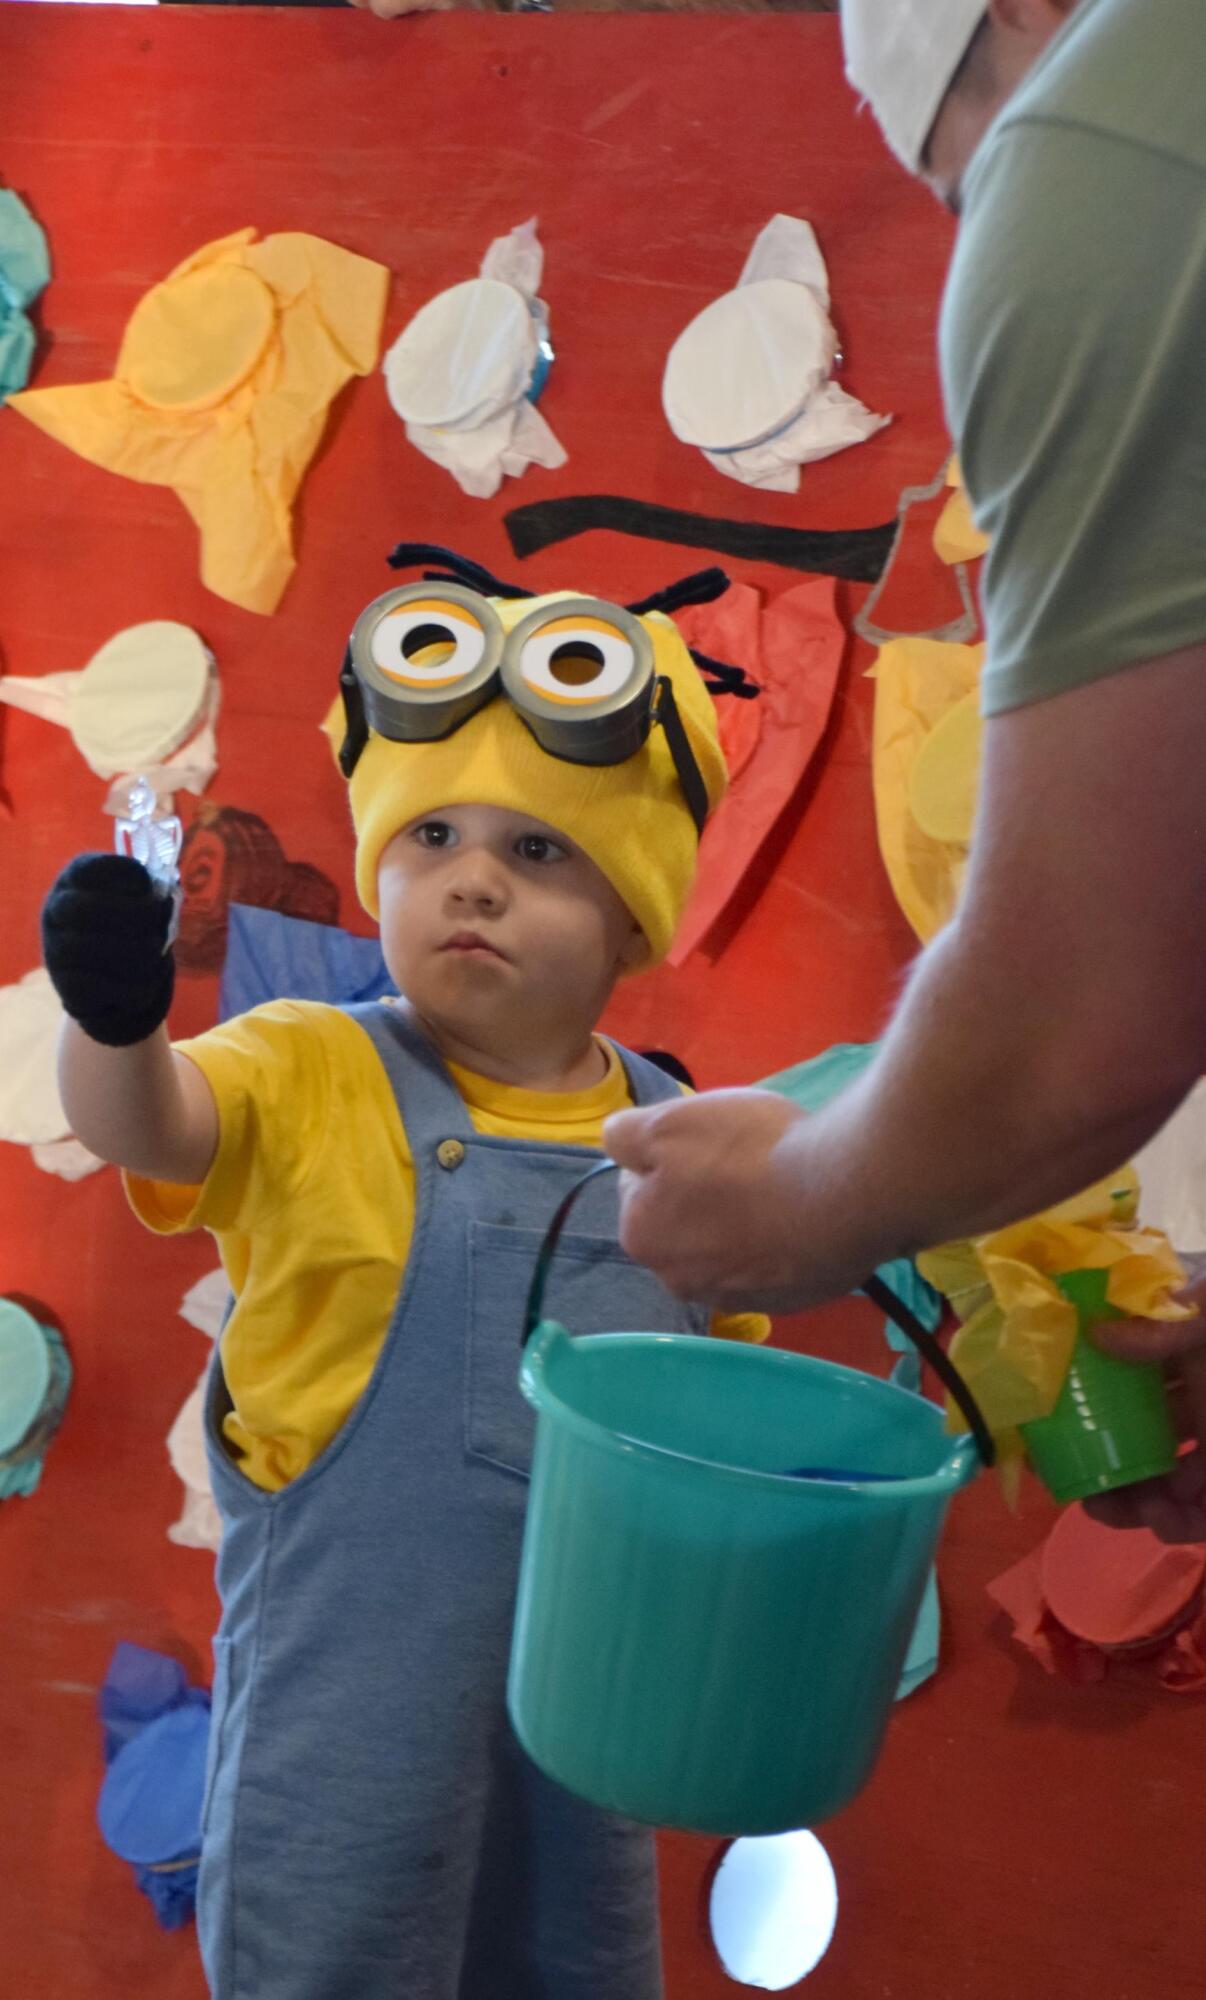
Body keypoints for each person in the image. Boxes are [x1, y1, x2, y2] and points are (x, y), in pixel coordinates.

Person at [40, 563, 763, 1999]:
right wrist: (111, 1023)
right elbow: (153, 1123)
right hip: (349, 1697)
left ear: (635, 917)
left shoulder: (678, 1141)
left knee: (576, 1966)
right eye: (430, 835)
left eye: (542, 851)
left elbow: (715, 1422)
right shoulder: (312, 1060)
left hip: (585, 1709)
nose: (474, 878)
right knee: (340, 1962)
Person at [605, 0, 1206, 1540]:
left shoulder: (1096, 143)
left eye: (965, 171)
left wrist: (801, 1208)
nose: (985, 212)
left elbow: (1076, 1018)